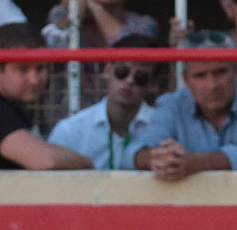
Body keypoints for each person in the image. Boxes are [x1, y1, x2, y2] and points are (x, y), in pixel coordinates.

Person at [134, 56, 237, 178]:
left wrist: (196, 163)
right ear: (186, 80)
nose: (212, 85)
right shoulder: (174, 103)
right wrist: (158, 159)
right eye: (200, 76)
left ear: (235, 71)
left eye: (220, 72)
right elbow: (132, 153)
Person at [47, 32, 160, 169]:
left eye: (140, 77)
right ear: (107, 70)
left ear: (152, 84)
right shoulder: (70, 131)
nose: (129, 81)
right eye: (121, 71)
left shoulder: (166, 128)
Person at [0, 23, 94, 170]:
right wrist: (87, 163)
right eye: (22, 69)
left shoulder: (13, 108)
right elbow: (44, 160)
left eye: (40, 68)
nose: (35, 79)